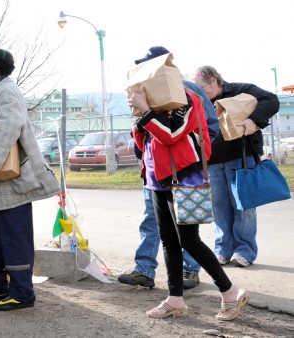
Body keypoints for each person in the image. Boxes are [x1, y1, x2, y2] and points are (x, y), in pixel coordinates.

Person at [126, 76, 249, 321]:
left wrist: (147, 112)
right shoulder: (155, 103)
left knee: (189, 241)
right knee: (168, 241)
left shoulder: (185, 97)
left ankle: (230, 292)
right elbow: (143, 143)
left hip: (182, 178)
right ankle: (175, 299)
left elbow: (171, 134)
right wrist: (142, 117)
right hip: (157, 180)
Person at [0, 48, 59, 311]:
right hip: (3, 184)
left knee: (15, 239)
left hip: (15, 183)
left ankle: (22, 293)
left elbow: (8, 127)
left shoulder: (7, 92)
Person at [118, 46, 220, 290]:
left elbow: (208, 128)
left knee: (185, 230)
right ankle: (144, 270)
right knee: (153, 223)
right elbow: (146, 132)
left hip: (181, 172)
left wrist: (192, 157)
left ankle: (192, 272)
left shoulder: (187, 90)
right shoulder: (147, 92)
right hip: (154, 172)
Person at [193, 66, 279, 267]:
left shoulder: (241, 90)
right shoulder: (199, 100)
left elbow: (271, 100)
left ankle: (244, 251)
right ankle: (223, 249)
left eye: (202, 88)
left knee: (243, 205)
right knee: (219, 206)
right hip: (212, 162)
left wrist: (253, 119)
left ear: (213, 79)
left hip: (241, 157)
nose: (200, 93)